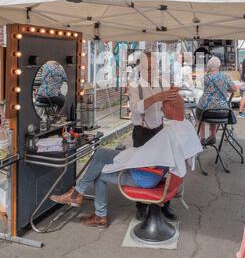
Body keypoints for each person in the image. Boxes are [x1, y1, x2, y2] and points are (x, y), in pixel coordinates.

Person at [50, 95, 202, 228]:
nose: (161, 110)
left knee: (99, 172)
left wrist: (131, 157)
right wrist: (132, 154)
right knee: (102, 154)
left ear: (172, 107)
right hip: (159, 174)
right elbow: (163, 156)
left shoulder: (169, 132)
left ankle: (95, 211)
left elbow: (150, 164)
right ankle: (78, 193)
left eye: (163, 106)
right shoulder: (186, 127)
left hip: (147, 177)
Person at [128, 51, 179, 221]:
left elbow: (167, 104)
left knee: (164, 168)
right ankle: (141, 205)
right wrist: (157, 97)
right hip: (142, 132)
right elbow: (136, 108)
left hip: (160, 129)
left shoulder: (161, 82)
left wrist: (172, 96)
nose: (151, 71)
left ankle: (164, 203)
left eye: (153, 67)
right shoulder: (134, 84)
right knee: (142, 168)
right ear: (140, 67)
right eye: (147, 67)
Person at [196, 57, 238, 145]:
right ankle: (212, 135)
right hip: (223, 112)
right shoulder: (225, 76)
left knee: (199, 112)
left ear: (208, 67)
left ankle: (202, 137)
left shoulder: (204, 78)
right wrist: (225, 89)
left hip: (206, 112)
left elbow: (199, 87)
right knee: (215, 107)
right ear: (219, 66)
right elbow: (234, 89)